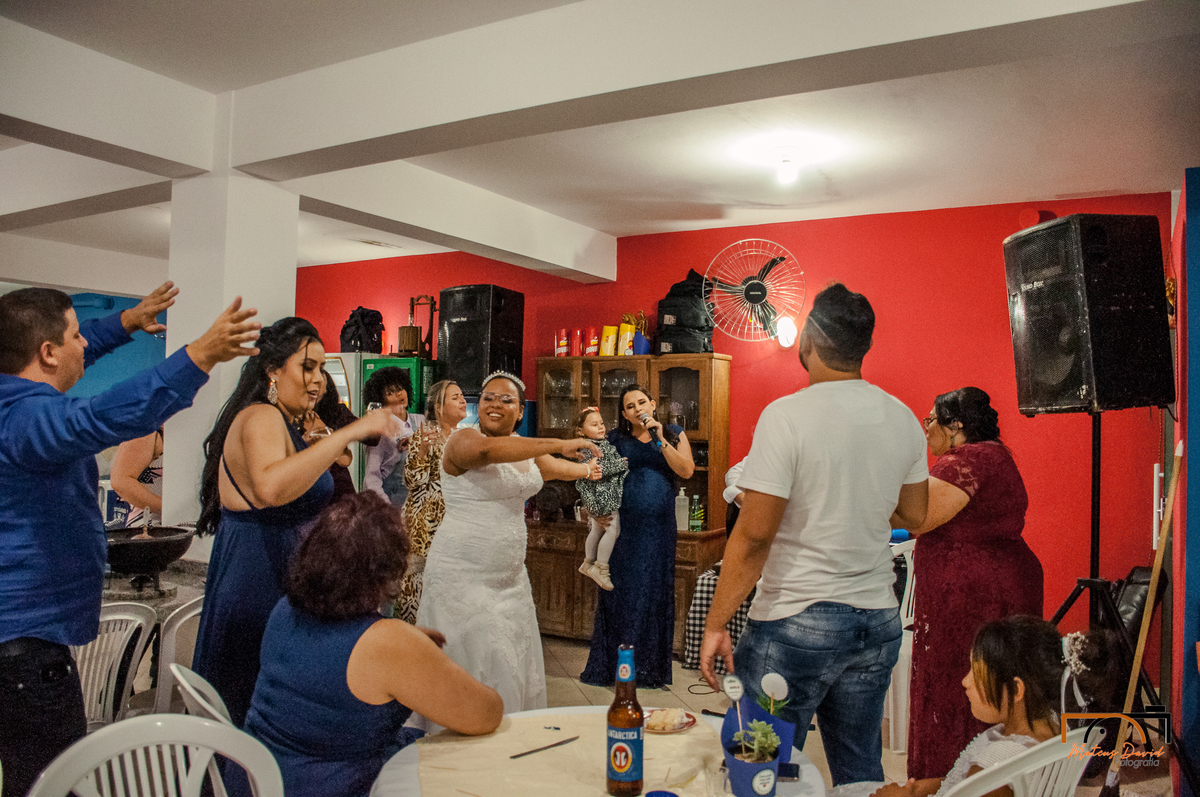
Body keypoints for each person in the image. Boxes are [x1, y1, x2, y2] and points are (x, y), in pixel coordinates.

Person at [0, 282, 260, 797]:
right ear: (47, 353)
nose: (83, 345)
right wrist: (198, 356)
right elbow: (99, 417)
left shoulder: (13, 395)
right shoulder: (26, 418)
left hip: (19, 642)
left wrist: (122, 324)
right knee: (51, 785)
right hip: (23, 652)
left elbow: (73, 352)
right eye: (75, 336)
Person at [699, 283, 929, 786]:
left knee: (761, 769)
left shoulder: (788, 415)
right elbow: (913, 513)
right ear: (862, 345)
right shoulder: (905, 418)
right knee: (859, 771)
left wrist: (717, 623)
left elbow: (755, 537)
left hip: (797, 620)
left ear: (808, 339)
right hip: (875, 617)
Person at [192, 318, 399, 728]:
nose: (317, 380)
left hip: (272, 571)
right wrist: (349, 432)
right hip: (257, 580)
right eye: (307, 367)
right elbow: (271, 488)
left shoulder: (284, 422)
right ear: (272, 370)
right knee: (251, 703)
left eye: (321, 369)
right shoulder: (260, 416)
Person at [238, 492, 503, 797]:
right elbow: (486, 714)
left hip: (252, 776)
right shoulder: (386, 643)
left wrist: (406, 641)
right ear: (385, 572)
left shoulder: (285, 609)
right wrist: (417, 652)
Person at [414, 371, 601, 718]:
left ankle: (505, 736)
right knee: (471, 663)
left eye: (507, 400)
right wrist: (559, 442)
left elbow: (553, 469)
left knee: (509, 662)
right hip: (463, 576)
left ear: (519, 412)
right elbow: (488, 451)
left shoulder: (523, 449)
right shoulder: (463, 440)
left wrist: (587, 471)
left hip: (510, 581)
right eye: (488, 397)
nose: (495, 404)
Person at [905, 387, 1045, 779]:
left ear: (956, 426)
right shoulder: (992, 455)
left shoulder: (967, 460)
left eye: (930, 419)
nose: (926, 428)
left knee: (965, 686)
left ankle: (960, 779)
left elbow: (920, 518)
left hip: (975, 601)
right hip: (991, 588)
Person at [831, 616, 1119, 797]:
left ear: (1016, 690)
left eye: (976, 674)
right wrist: (923, 788)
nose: (965, 682)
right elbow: (962, 783)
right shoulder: (1055, 729)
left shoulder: (997, 768)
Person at [581, 383, 694, 689]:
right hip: (621, 530)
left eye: (641, 403)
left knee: (652, 592)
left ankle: (648, 670)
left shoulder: (671, 432)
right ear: (623, 413)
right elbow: (593, 472)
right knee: (620, 595)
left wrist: (659, 439)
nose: (637, 409)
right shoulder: (615, 439)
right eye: (630, 406)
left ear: (653, 404)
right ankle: (613, 668)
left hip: (658, 531)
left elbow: (686, 470)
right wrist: (593, 509)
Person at [395, 379, 468, 623]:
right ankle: (413, 642)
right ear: (439, 405)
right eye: (455, 397)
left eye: (462, 396)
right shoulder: (424, 435)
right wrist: (424, 451)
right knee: (418, 589)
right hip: (424, 525)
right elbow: (412, 480)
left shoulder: (463, 437)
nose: (463, 400)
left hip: (454, 522)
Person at [573, 406, 630, 591]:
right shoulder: (590, 448)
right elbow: (598, 469)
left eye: (602, 423)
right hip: (602, 495)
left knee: (598, 529)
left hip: (600, 495)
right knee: (613, 529)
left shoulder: (597, 444)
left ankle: (588, 562)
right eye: (594, 424)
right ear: (580, 431)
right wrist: (621, 464)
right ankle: (601, 568)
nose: (600, 427)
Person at [363, 366, 424, 508]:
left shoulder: (421, 421)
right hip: (393, 507)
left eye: (400, 388)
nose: (398, 394)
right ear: (381, 401)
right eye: (390, 393)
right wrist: (388, 512)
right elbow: (371, 481)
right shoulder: (379, 433)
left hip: (420, 505)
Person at [307, 366, 359, 503]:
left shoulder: (335, 412)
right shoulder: (294, 418)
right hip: (311, 495)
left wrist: (322, 430)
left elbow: (345, 459)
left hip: (339, 492)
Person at [112, 426, 164, 527]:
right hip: (150, 528)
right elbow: (121, 482)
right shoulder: (148, 426)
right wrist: (166, 507)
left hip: (191, 522)